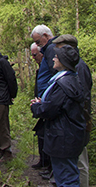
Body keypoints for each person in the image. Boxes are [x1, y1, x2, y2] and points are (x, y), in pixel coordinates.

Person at [31, 45, 86, 187]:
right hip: (68, 135)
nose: (53, 58)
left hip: (63, 137)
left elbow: (50, 109)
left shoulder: (63, 84)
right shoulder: (71, 79)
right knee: (67, 174)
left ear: (64, 61)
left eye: (57, 56)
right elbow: (58, 104)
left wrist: (37, 106)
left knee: (66, 177)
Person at [53, 34, 92, 187]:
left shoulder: (79, 67)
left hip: (76, 122)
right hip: (73, 121)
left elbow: (82, 96)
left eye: (59, 47)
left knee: (79, 161)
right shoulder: (73, 67)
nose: (56, 51)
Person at [30, 25, 57, 175]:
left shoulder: (52, 50)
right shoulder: (48, 51)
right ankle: (46, 164)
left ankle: (51, 168)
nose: (39, 46)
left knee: (50, 136)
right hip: (44, 100)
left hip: (50, 102)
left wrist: (47, 99)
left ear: (46, 36)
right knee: (43, 134)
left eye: (39, 42)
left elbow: (54, 78)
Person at [30, 43, 51, 170]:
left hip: (48, 104)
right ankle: (43, 161)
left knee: (46, 134)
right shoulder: (40, 68)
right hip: (40, 102)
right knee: (40, 133)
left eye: (34, 54)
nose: (33, 57)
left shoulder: (49, 67)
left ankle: (48, 164)